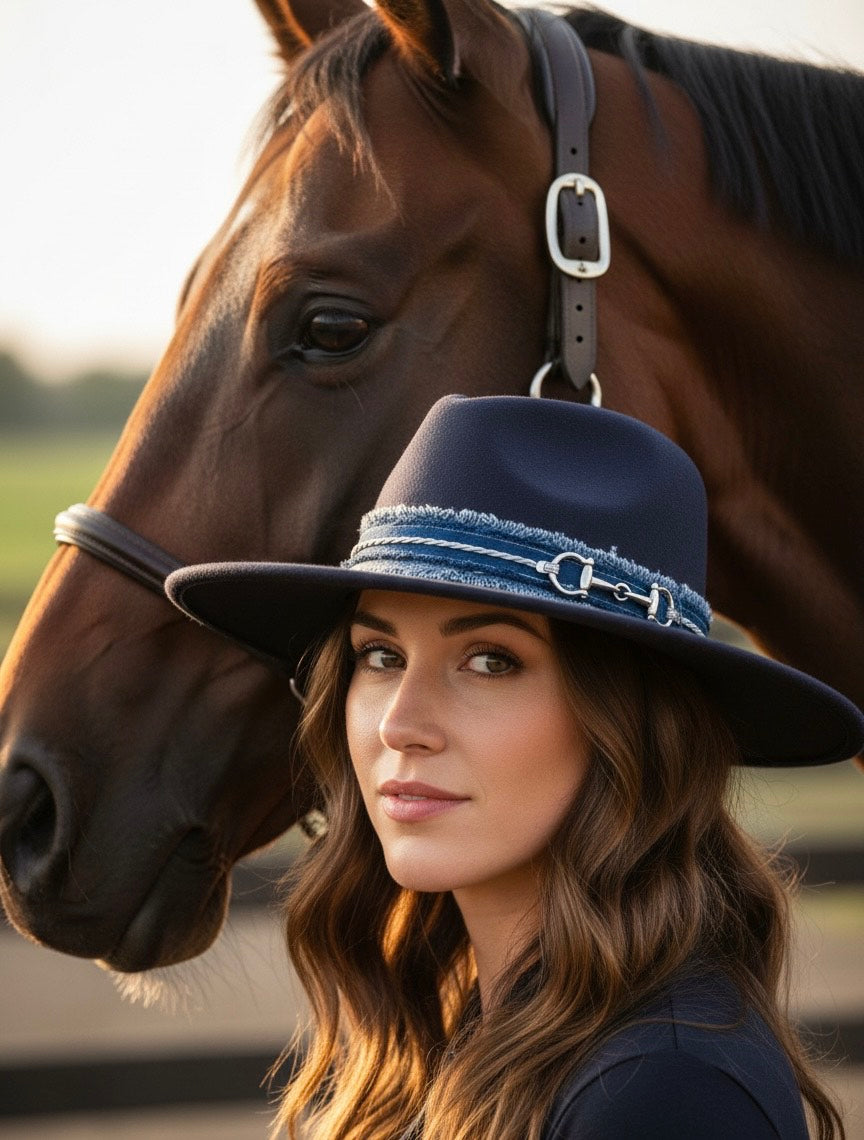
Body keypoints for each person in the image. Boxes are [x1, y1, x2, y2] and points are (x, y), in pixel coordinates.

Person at [167, 395, 864, 1140]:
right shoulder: (466, 1029)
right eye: (381, 655)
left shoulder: (664, 1092)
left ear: (634, 724)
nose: (400, 724)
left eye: (491, 661)